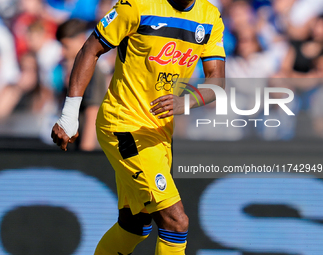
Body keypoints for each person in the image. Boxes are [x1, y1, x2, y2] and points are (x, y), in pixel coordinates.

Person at [51, 0, 225, 254]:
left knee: (135, 224)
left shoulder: (209, 16)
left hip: (159, 133)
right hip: (124, 124)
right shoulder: (137, 5)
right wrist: (69, 114)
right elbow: (90, 49)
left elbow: (216, 81)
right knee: (176, 222)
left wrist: (185, 101)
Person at [55, 19, 107, 150]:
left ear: (81, 39)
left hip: (89, 149)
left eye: (65, 46)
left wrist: (85, 156)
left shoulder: (91, 71)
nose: (62, 51)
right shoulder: (69, 70)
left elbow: (92, 114)